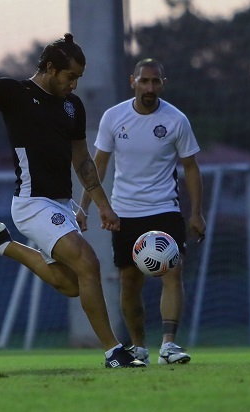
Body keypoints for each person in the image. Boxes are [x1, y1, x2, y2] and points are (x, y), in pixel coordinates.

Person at [0, 24, 144, 368]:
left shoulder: (72, 107)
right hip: (31, 203)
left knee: (72, 284)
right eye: (69, 76)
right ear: (50, 69)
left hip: (60, 204)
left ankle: (3, 244)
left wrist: (103, 206)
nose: (74, 85)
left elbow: (82, 161)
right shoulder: (14, 93)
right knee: (89, 262)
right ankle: (114, 351)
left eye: (79, 78)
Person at [77, 58, 206, 365]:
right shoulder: (114, 117)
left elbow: (191, 168)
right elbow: (99, 165)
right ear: (132, 82)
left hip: (164, 210)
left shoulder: (176, 120)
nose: (150, 87)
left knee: (173, 273)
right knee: (129, 282)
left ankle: (170, 346)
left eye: (156, 81)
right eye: (144, 81)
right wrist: (83, 207)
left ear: (164, 83)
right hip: (125, 213)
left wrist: (197, 213)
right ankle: (139, 349)